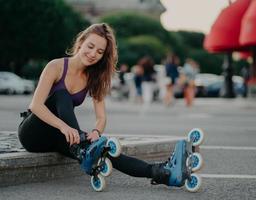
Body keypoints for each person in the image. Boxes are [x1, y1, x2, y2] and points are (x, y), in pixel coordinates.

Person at [18, 23, 170, 187]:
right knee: (61, 95)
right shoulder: (56, 66)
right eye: (90, 46)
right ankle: (82, 149)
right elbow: (35, 106)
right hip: (32, 133)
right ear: (81, 42)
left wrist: (97, 131)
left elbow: (101, 117)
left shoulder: (94, 77)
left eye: (99, 52)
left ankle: (160, 172)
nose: (93, 54)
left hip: (58, 137)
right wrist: (64, 127)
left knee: (103, 149)